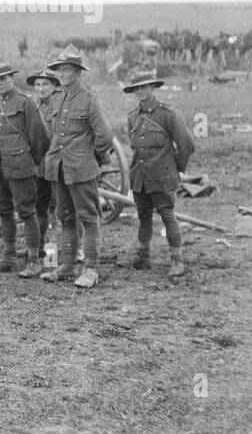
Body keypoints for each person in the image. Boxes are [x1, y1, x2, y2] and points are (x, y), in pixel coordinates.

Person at [40, 46, 114, 288]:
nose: (61, 73)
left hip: (81, 169)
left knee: (89, 218)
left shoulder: (89, 100)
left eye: (67, 69)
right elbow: (53, 132)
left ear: (78, 72)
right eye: (59, 69)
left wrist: (87, 155)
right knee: (66, 216)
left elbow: (104, 136)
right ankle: (66, 266)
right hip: (59, 168)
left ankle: (90, 268)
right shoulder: (56, 98)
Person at [123, 69, 195, 278]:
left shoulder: (168, 114)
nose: (140, 91)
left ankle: (177, 260)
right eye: (136, 88)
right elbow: (136, 148)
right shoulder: (133, 117)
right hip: (140, 177)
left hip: (161, 176)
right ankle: (143, 256)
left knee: (167, 215)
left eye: (144, 87)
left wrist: (177, 170)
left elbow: (187, 144)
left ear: (153, 88)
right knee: (144, 216)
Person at [0, 61, 50, 277]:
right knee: (3, 212)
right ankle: (9, 257)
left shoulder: (25, 103)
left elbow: (40, 137)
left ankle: (34, 260)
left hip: (21, 167)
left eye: (3, 79)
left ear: (12, 79)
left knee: (27, 211)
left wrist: (30, 161)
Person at [26, 66, 62, 262]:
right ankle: (40, 247)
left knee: (58, 210)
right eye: (38, 85)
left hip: (58, 166)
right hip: (40, 167)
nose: (41, 88)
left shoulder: (61, 105)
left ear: (54, 85)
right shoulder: (33, 106)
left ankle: (52, 257)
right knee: (40, 207)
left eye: (45, 84)